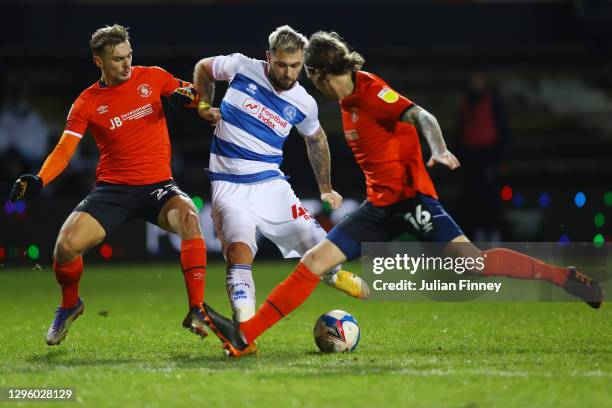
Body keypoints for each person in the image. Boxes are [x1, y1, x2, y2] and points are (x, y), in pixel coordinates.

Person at [200, 31, 604, 357]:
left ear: (321, 74)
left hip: (412, 203)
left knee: (474, 265)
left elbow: (420, 114)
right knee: (314, 261)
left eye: (308, 73)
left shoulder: (372, 92)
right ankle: (244, 336)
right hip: (379, 207)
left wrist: (438, 147)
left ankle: (563, 277)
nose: (305, 81)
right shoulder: (343, 103)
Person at [9, 24, 210, 346]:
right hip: (114, 191)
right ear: (98, 62)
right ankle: (69, 304)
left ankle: (197, 309)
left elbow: (193, 94)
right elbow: (64, 149)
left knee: (189, 217)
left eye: (130, 56)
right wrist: (40, 178)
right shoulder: (87, 102)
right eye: (118, 59)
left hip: (158, 186)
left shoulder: (154, 77)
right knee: (65, 247)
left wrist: (190, 100)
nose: (127, 64)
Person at [188, 26, 370, 330]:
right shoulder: (241, 67)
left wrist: (325, 187)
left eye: (296, 66)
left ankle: (335, 275)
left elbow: (316, 139)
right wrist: (203, 105)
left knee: (321, 249)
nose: (288, 73)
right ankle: (244, 330)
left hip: (272, 186)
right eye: (282, 65)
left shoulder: (304, 103)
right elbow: (203, 68)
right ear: (268, 58)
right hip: (228, 185)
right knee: (239, 253)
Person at [457, 73, 509, 242]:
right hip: (470, 158)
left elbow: (502, 130)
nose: (476, 83)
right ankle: (477, 235)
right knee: (473, 199)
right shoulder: (465, 103)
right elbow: (460, 132)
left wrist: (501, 158)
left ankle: (494, 234)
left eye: (479, 79)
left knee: (491, 199)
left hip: (489, 156)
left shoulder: (493, 102)